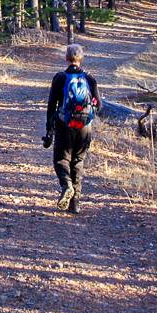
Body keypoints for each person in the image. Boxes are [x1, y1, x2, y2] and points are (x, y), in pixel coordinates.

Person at [42, 44, 101, 214]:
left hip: (64, 124)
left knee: (61, 159)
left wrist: (49, 129)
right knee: (78, 161)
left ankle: (66, 185)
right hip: (84, 126)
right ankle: (75, 203)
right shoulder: (89, 79)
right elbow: (99, 104)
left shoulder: (60, 78)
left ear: (66, 58)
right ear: (81, 58)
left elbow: (52, 105)